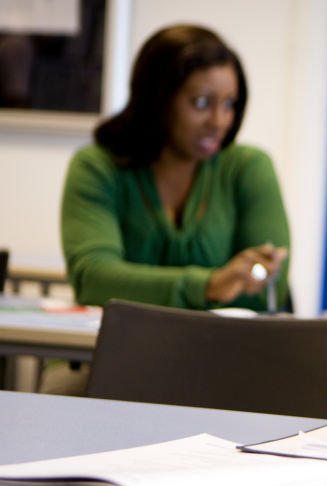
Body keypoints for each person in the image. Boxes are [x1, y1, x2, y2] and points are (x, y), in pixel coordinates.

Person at [61, 24, 289, 312]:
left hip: (223, 353)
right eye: (202, 102)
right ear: (157, 99)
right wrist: (210, 285)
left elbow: (269, 289)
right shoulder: (97, 167)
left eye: (229, 104)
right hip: (121, 352)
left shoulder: (249, 167)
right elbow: (94, 281)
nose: (218, 122)